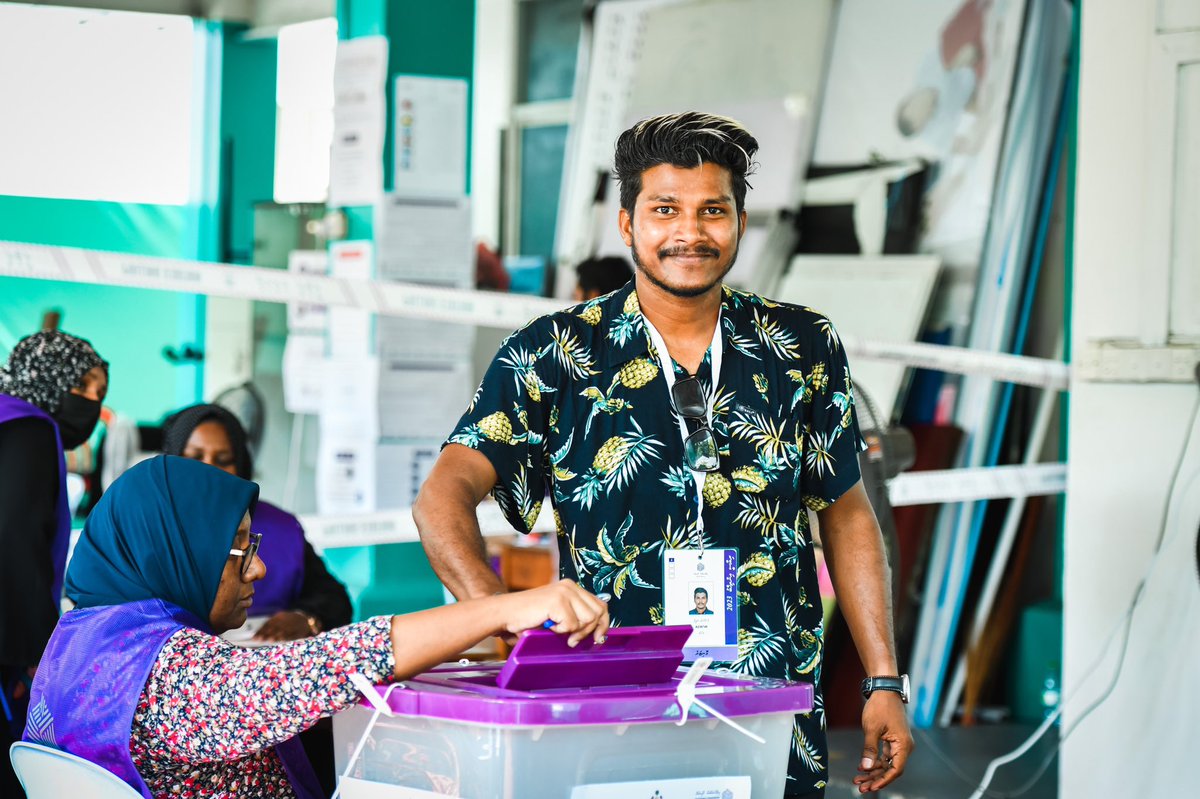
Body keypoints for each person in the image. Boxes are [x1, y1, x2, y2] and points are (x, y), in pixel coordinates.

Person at [414, 112, 912, 797]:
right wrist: (494, 613)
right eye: (665, 209)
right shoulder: (555, 353)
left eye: (714, 210)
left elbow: (848, 512)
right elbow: (443, 492)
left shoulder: (801, 345)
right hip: (608, 706)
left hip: (770, 702)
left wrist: (883, 678)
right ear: (627, 224)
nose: (690, 232)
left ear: (739, 220)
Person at [23, 455, 608, 798]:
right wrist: (506, 607)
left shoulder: (84, 638)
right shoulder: (171, 679)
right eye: (236, 549)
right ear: (172, 551)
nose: (259, 566)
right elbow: (327, 667)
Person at [0, 330, 108, 798]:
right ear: (48, 376)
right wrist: (37, 654)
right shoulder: (32, 429)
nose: (90, 400)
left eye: (99, 392)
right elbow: (16, 541)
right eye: (82, 384)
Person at [161, 403, 352, 641]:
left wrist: (305, 617)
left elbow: (334, 599)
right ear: (170, 462)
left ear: (242, 465)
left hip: (261, 656)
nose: (209, 469)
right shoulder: (153, 527)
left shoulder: (281, 528)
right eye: (194, 458)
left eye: (224, 459)